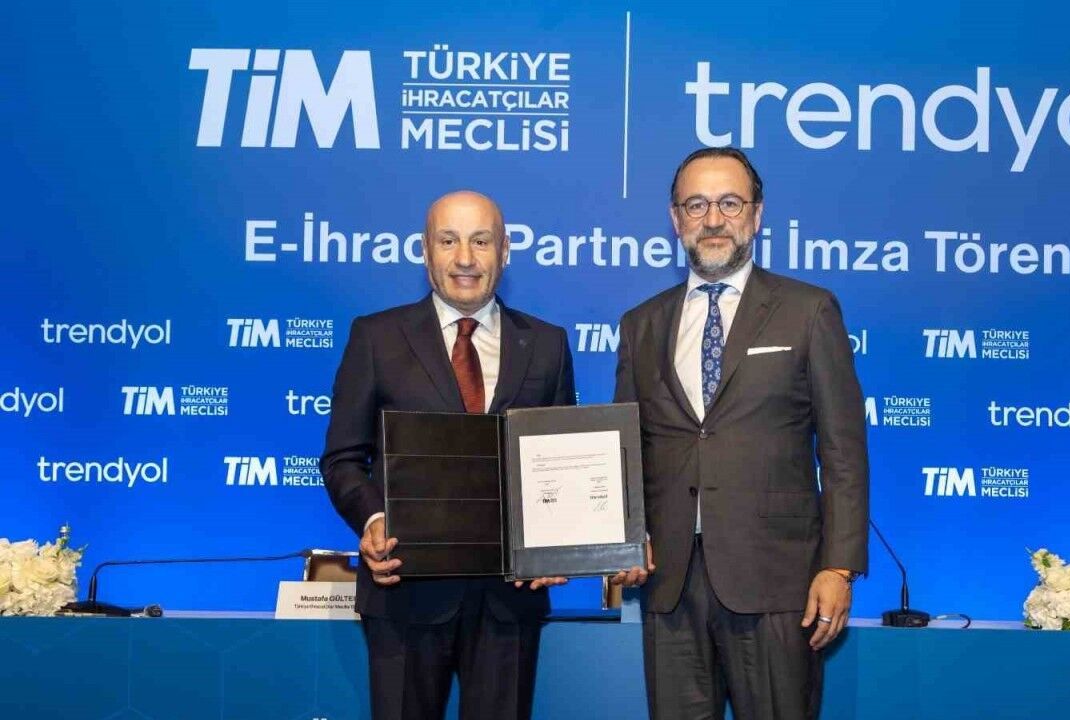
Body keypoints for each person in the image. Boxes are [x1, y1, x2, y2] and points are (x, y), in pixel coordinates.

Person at [612, 148, 869, 719]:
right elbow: (625, 452)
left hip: (777, 580)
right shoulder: (640, 324)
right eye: (696, 205)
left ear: (756, 215)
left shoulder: (809, 311)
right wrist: (621, 537)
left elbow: (844, 452)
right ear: (675, 218)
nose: (713, 219)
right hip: (671, 583)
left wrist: (839, 567)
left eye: (729, 203)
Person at [321, 190, 574, 720]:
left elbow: (558, 462)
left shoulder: (547, 344)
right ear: (425, 250)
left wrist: (555, 546)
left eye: (481, 241)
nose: (465, 258)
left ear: (504, 250)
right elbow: (343, 457)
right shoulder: (376, 337)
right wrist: (373, 518)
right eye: (448, 241)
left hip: (509, 600)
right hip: (404, 591)